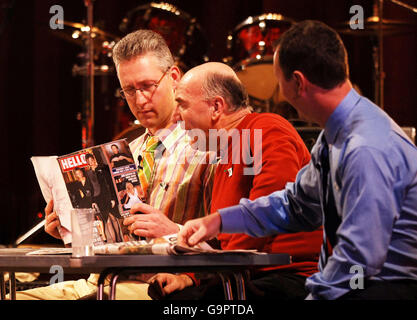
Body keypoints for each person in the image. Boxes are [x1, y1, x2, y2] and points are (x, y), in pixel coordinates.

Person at [177, 20, 417, 300]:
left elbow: (359, 259)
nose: (279, 93)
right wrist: (219, 221)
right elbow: (295, 205)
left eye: (278, 80)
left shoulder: (365, 147)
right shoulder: (337, 135)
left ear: (298, 83)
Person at [16, 29, 215, 300]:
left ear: (174, 78)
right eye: (129, 90)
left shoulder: (205, 149)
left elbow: (229, 247)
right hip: (98, 280)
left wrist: (173, 231)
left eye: (148, 86)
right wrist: (68, 227)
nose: (139, 100)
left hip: (151, 286)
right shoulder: (125, 152)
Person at [148, 62, 322, 300]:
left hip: (290, 279)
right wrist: (188, 276)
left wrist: (204, 271)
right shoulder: (227, 153)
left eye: (182, 104)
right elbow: (226, 241)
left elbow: (266, 212)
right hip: (244, 277)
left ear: (216, 107)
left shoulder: (266, 129)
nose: (176, 116)